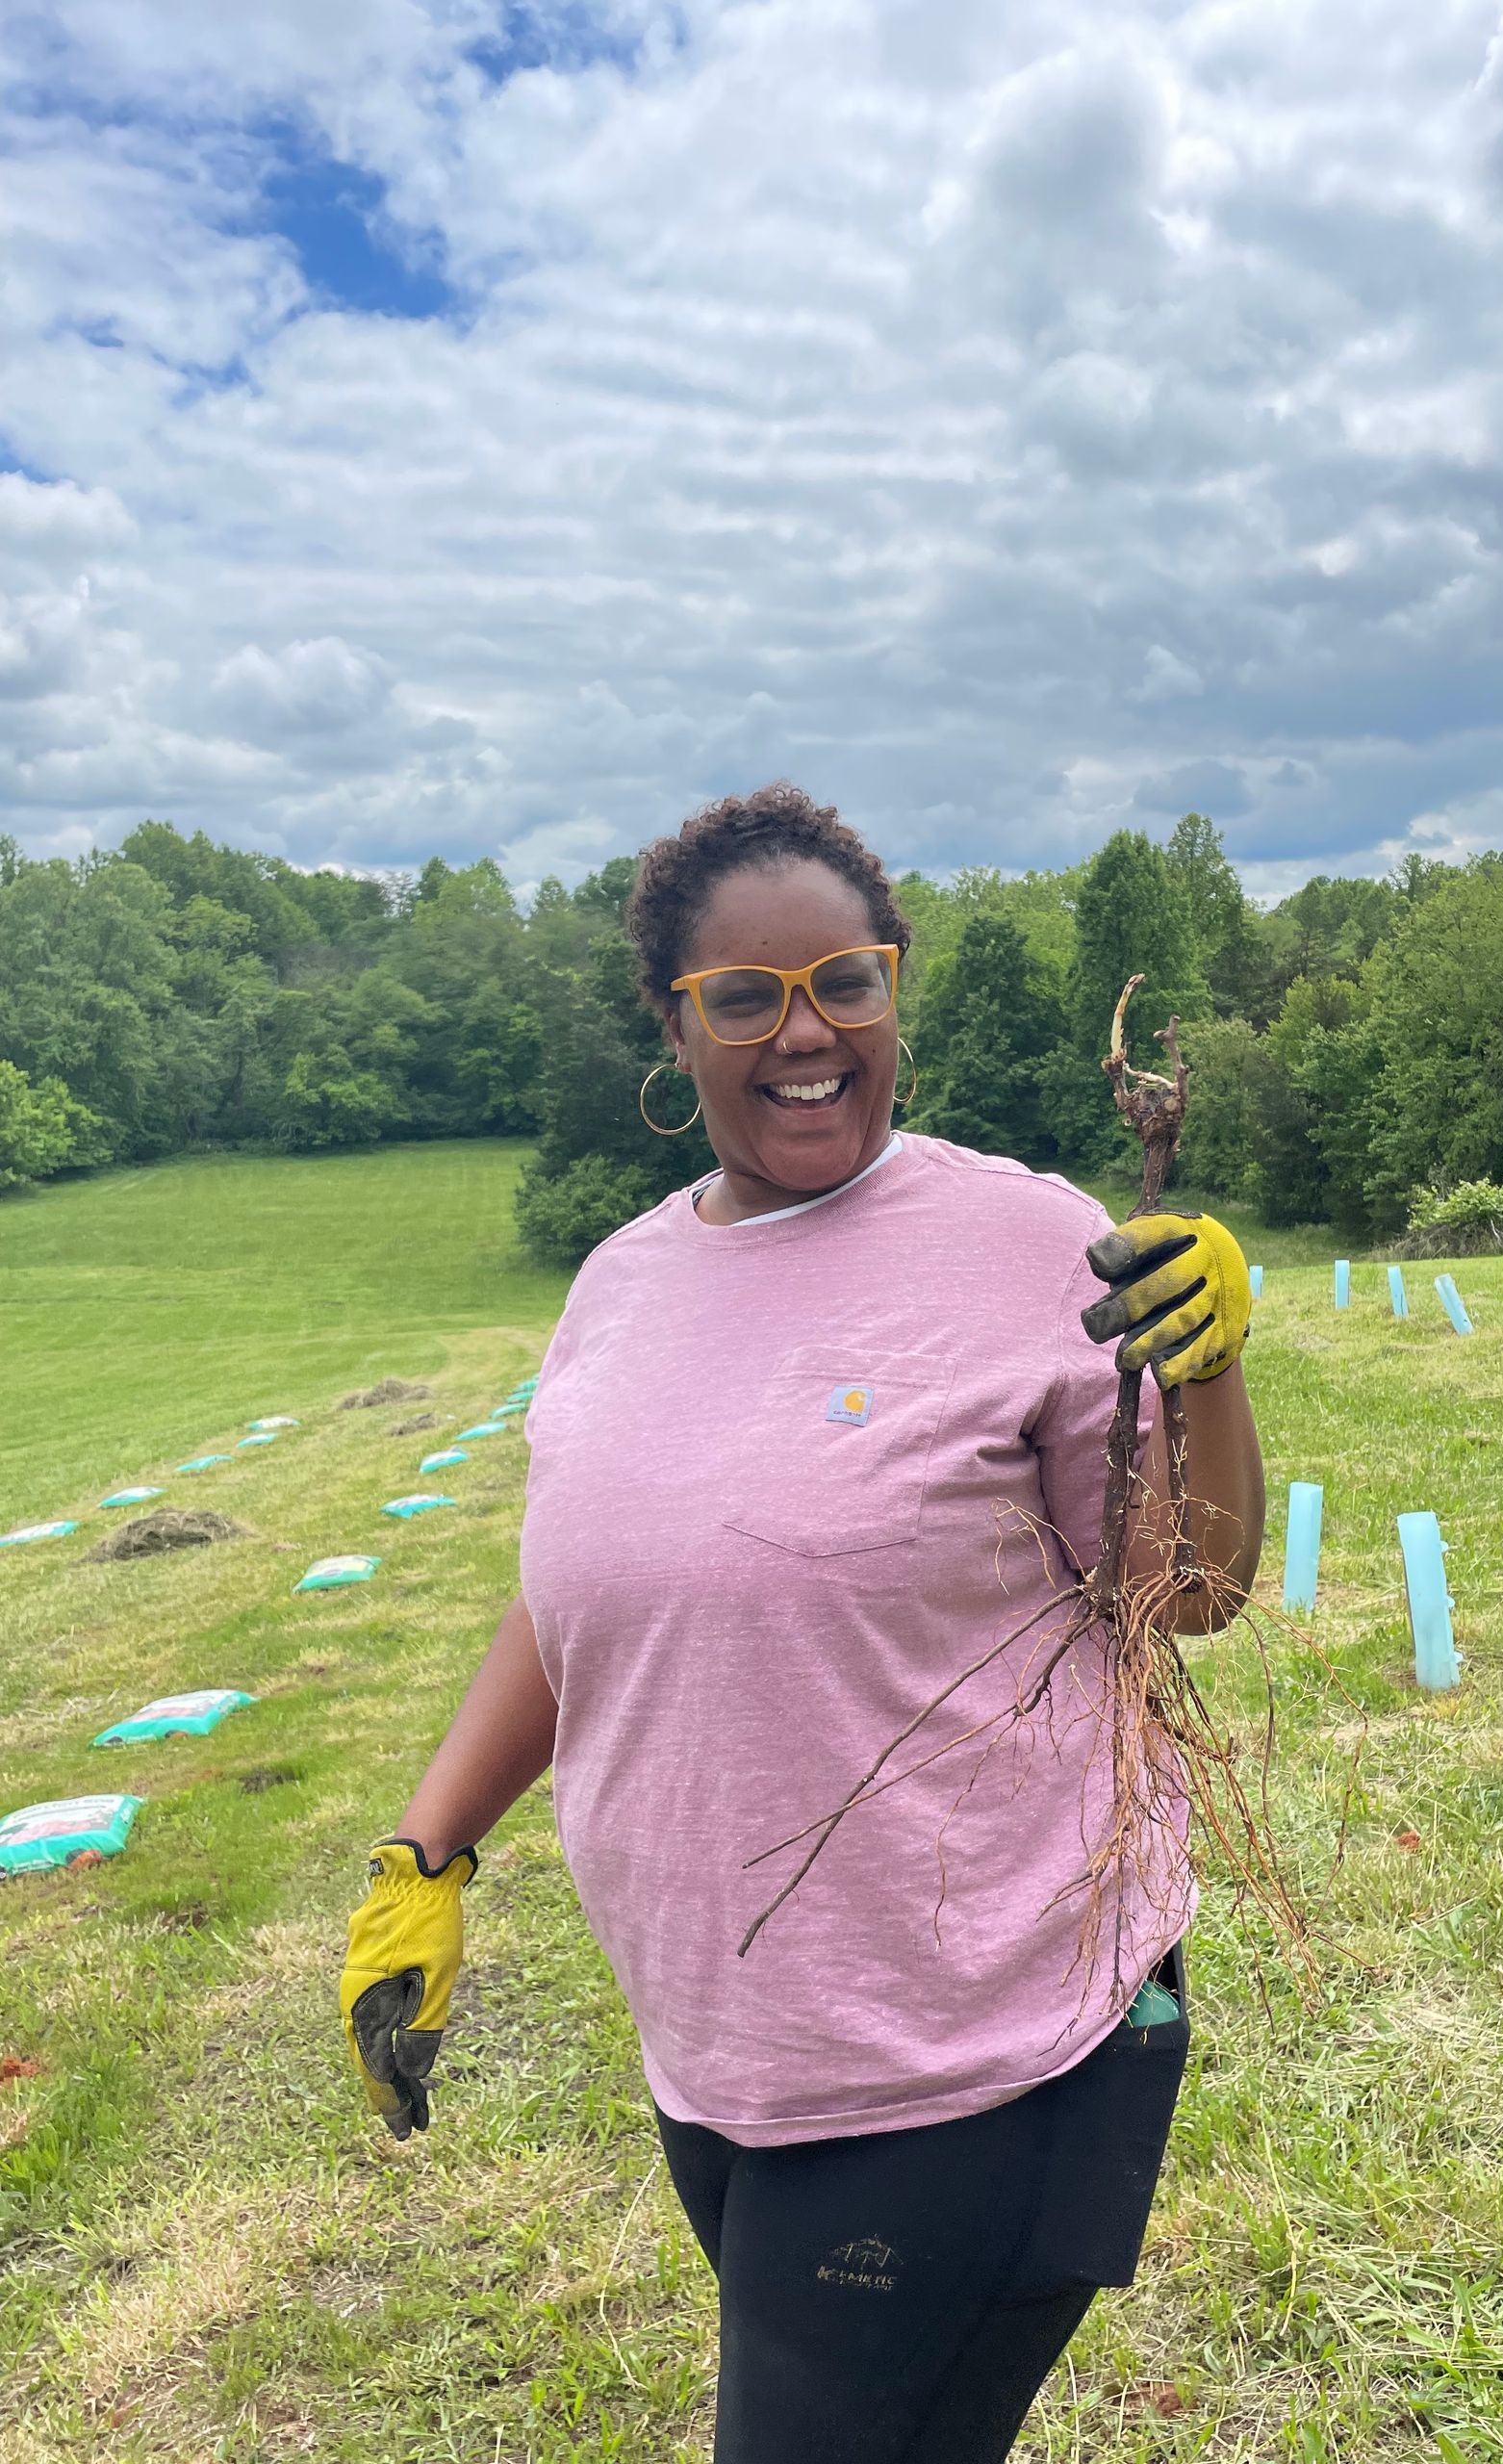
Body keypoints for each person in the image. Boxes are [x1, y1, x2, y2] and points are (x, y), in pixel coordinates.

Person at [340, 783, 1264, 2463]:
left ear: (896, 983)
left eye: (848, 981)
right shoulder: (620, 1284)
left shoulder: (1027, 1237)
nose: (806, 1034)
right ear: (673, 1023)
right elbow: (579, 1606)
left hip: (976, 2047)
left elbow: (1183, 1594)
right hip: (730, 2050)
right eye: (747, 997)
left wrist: (1206, 1376)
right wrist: (428, 1854)